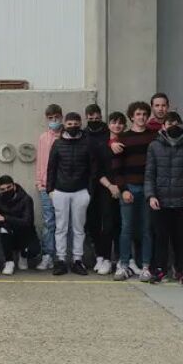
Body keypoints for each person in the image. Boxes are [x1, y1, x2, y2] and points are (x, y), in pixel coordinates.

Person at [144, 112, 183, 287]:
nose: (173, 126)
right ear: (163, 126)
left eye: (176, 123)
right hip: (160, 201)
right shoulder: (154, 145)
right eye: (169, 123)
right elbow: (149, 174)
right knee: (160, 237)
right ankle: (159, 270)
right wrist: (151, 195)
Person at [45, 112, 95, 276]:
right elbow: (51, 168)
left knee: (79, 228)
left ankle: (77, 260)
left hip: (81, 192)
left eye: (75, 124)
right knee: (61, 228)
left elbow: (92, 169)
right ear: (65, 125)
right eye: (69, 124)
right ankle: (60, 260)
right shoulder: (57, 144)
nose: (72, 127)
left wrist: (89, 191)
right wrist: (50, 190)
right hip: (60, 191)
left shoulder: (87, 144)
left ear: (80, 124)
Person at [112, 101, 158, 281]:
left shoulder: (154, 137)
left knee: (146, 229)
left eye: (145, 114)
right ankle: (123, 265)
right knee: (127, 228)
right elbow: (117, 168)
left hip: (148, 189)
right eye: (138, 114)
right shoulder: (122, 138)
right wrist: (123, 189)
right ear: (131, 116)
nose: (142, 117)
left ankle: (146, 267)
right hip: (129, 188)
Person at [89, 111, 126, 276]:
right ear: (108, 124)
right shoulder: (101, 145)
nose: (117, 126)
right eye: (114, 122)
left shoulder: (127, 142)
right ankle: (105, 259)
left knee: (122, 226)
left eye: (120, 123)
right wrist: (111, 186)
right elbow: (97, 171)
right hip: (106, 190)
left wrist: (122, 187)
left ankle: (121, 260)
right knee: (107, 226)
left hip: (125, 190)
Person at [0, 176, 38, 276]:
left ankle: (23, 255)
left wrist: (4, 218)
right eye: (3, 189)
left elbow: (27, 221)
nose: (6, 190)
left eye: (9, 187)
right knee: (3, 229)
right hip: (8, 230)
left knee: (34, 250)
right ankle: (9, 261)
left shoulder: (26, 199)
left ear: (14, 186)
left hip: (24, 232)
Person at [33, 103, 63, 271]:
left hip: (64, 186)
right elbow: (40, 161)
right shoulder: (43, 138)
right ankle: (47, 256)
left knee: (63, 224)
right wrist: (40, 183)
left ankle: (61, 257)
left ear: (61, 117)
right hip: (46, 187)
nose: (54, 121)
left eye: (56, 117)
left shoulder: (66, 136)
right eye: (50, 118)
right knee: (48, 222)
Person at [83, 104, 109, 263]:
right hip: (89, 184)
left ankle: (107, 255)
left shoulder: (109, 132)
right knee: (92, 221)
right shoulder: (83, 135)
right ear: (86, 118)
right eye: (91, 118)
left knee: (107, 221)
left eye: (97, 118)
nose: (94, 120)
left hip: (107, 183)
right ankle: (98, 255)